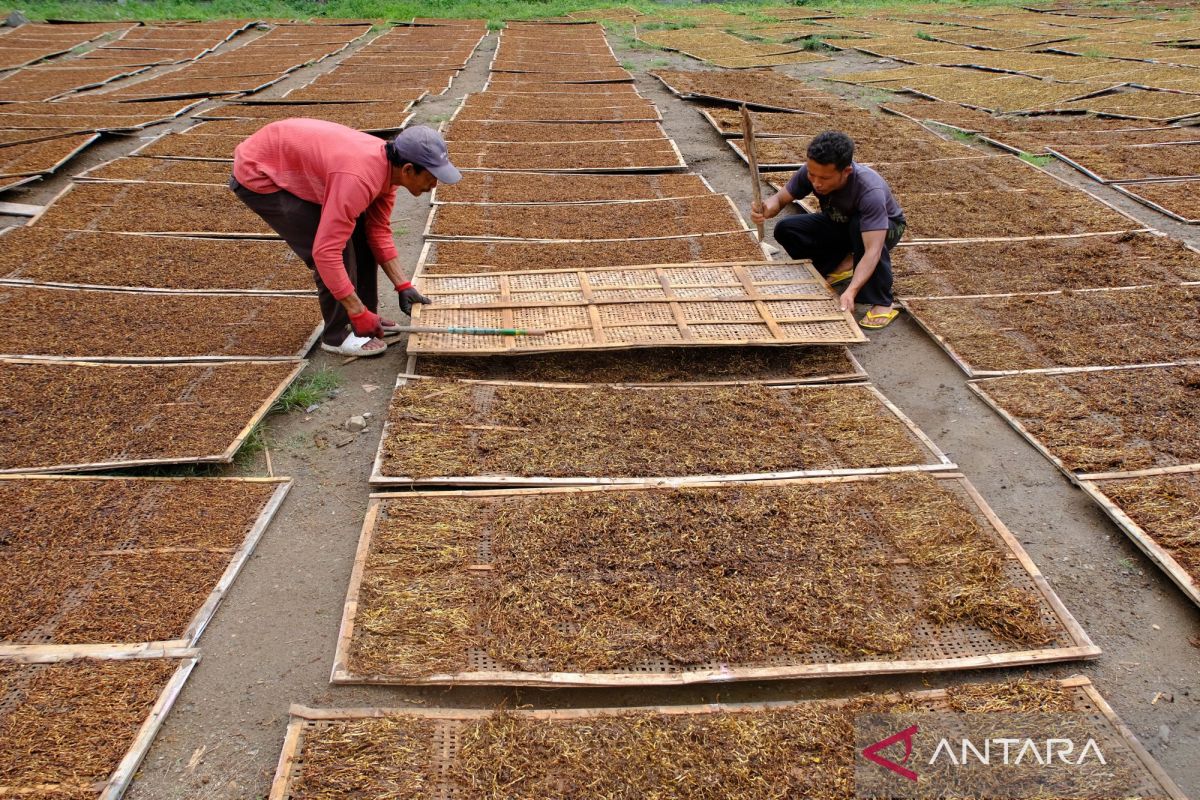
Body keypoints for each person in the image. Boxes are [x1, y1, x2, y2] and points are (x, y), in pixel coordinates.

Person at [230, 120, 461, 356]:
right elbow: (325, 252)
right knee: (334, 249)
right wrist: (355, 310)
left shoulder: (390, 172)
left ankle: (364, 317)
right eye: (432, 177)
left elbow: (378, 231)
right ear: (408, 169)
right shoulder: (358, 178)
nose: (433, 185)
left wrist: (403, 286)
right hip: (261, 171)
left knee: (360, 233)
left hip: (296, 160)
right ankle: (336, 335)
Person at [751, 130, 906, 330]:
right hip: (840, 221)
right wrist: (765, 209)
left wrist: (851, 291)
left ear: (846, 172)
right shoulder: (813, 171)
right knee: (786, 229)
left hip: (885, 229)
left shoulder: (869, 190)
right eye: (811, 174)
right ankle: (837, 265)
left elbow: (873, 250)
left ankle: (882, 302)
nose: (816, 182)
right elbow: (780, 199)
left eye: (824, 178)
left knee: (859, 227)